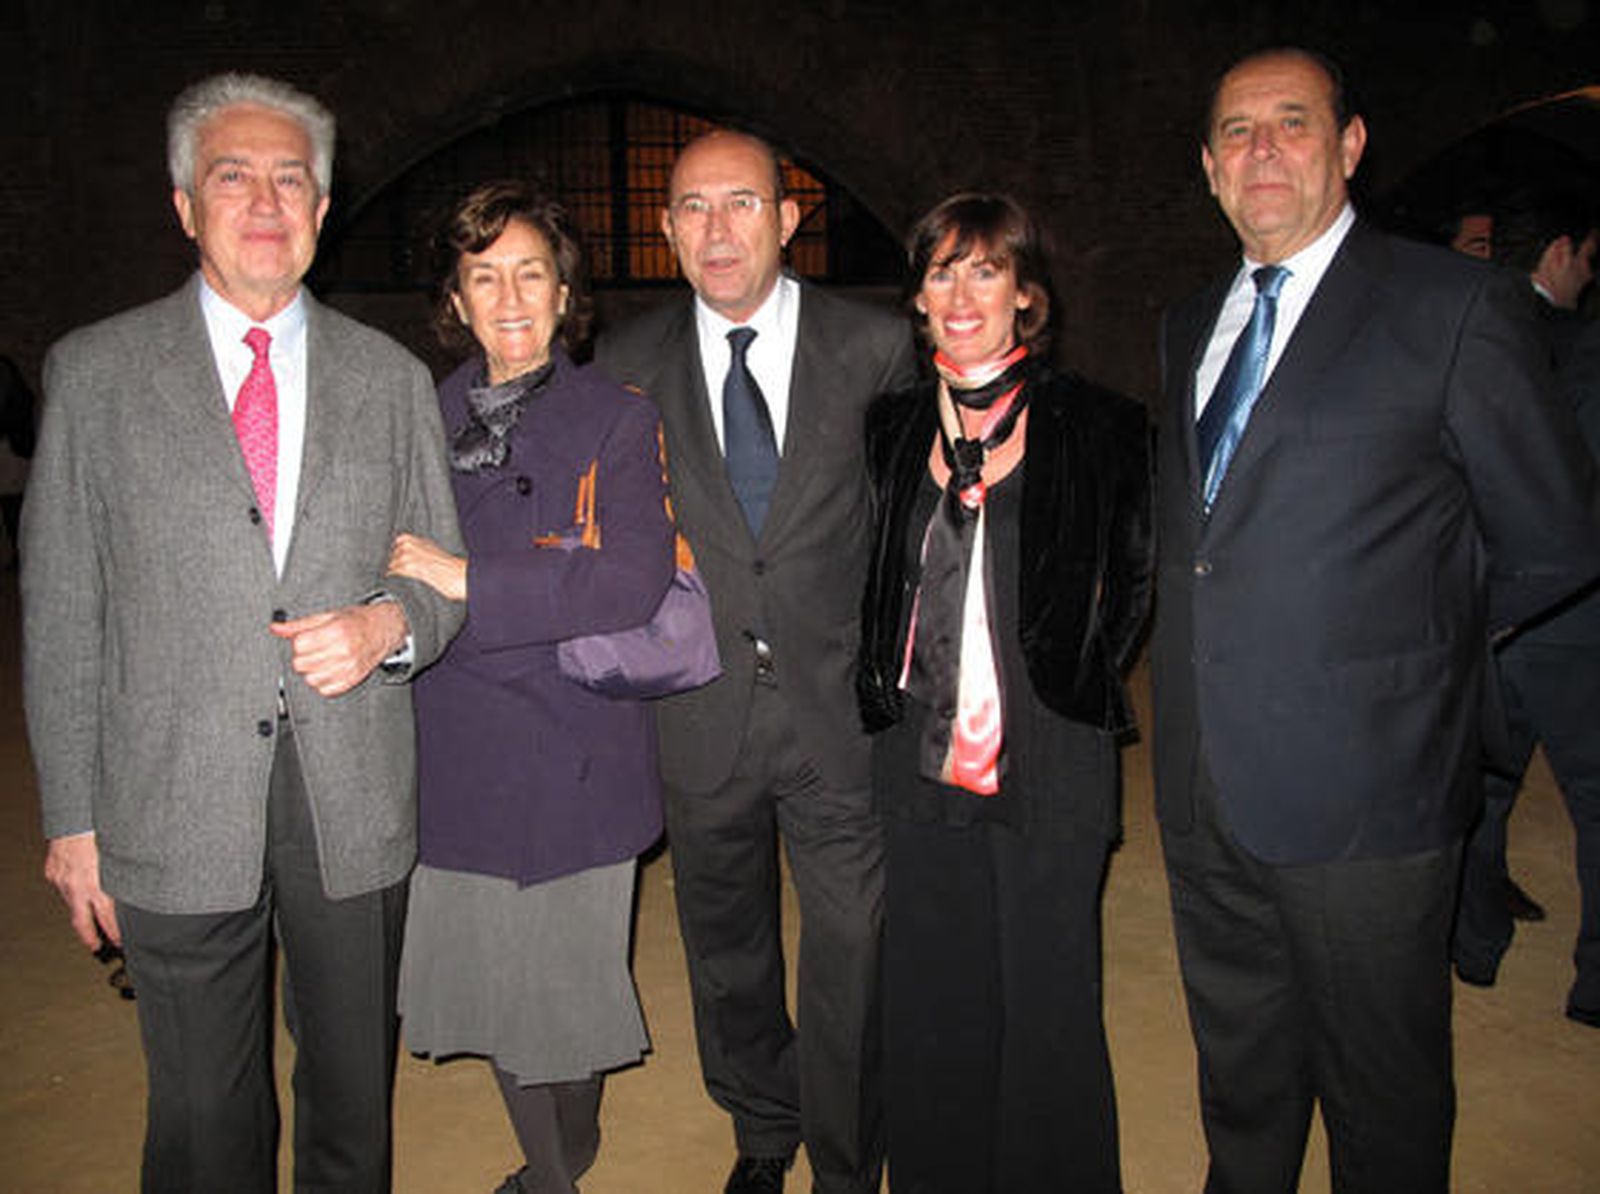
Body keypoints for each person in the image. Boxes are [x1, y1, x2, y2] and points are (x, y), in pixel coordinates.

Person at [1151, 47, 1600, 1193]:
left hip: (1370, 790)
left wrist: (1411, 661)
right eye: (1236, 131)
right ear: (1208, 167)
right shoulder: (1188, 323)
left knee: (1380, 1092)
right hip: (1205, 782)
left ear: (1349, 146)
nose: (1261, 149)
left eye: (1291, 122)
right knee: (1242, 1074)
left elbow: (1551, 539)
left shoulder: (1451, 308)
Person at [21, 73, 464, 1192]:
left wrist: (385, 624)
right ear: (184, 205)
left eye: (291, 180)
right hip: (166, 792)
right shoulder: (96, 373)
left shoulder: (392, 380)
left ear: (324, 209)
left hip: (352, 788)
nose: (266, 202)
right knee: (201, 1112)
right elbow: (64, 607)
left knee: (352, 1098)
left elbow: (441, 584)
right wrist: (72, 820)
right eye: (234, 177)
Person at [595, 129, 916, 1194]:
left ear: (787, 218)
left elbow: (911, 534)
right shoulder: (625, 366)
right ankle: (763, 1126)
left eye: (741, 203)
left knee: (853, 947)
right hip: (699, 706)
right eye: (692, 207)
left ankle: (848, 1156)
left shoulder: (873, 348)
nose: (717, 229)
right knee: (725, 946)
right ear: (666, 228)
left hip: (839, 706)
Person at [855, 193, 1152, 1193]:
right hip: (917, 761)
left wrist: (1060, 675)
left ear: (1026, 294)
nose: (961, 293)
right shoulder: (889, 428)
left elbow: (1135, 585)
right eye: (941, 271)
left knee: (1048, 1005)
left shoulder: (1101, 424)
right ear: (917, 298)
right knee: (934, 1003)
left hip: (1050, 760)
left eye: (985, 270)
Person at [387, 181, 674, 1194]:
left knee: (565, 990)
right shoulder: (412, 418)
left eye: (530, 274)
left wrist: (472, 580)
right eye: (484, 277)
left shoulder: (616, 419)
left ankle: (567, 1150)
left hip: (573, 746)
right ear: (455, 300)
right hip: (455, 743)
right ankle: (551, 1171)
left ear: (564, 293)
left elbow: (633, 582)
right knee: (499, 986)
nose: (509, 298)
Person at [1454, 186, 1600, 1026]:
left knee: (1480, 786)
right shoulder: (1586, 349)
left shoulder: (1461, 331)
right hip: (1574, 615)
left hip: (1478, 607)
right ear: (1557, 252)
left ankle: (1473, 948)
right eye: (1587, 258)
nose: (1590, 275)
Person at [0, 354, 35, 568]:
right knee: (12, 505)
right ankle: (20, 553)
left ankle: (22, 554)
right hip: (12, 450)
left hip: (12, 450)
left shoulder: (16, 393)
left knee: (13, 505)